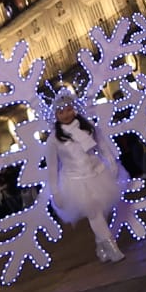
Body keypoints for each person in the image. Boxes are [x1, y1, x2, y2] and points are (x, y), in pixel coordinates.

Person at [46, 88, 128, 263]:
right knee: (94, 213)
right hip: (76, 181)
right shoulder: (53, 139)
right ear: (56, 115)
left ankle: (101, 245)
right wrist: (55, 191)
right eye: (61, 112)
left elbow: (102, 147)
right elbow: (52, 167)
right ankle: (111, 246)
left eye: (68, 110)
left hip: (97, 173)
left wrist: (111, 163)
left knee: (102, 211)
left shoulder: (88, 127)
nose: (66, 114)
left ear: (74, 109)